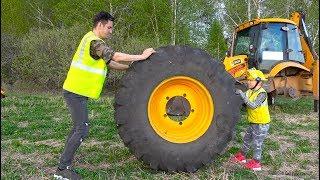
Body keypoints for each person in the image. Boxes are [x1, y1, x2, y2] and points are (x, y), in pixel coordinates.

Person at [54, 11, 156, 180]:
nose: (111, 31)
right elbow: (115, 56)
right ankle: (62, 169)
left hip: (76, 92)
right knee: (82, 128)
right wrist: (142, 56)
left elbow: (112, 63)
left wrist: (134, 66)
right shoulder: (94, 42)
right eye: (109, 27)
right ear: (100, 25)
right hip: (74, 93)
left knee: (77, 128)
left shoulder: (90, 40)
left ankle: (63, 165)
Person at [231, 68, 271, 171]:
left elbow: (253, 105)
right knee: (246, 139)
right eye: (248, 80)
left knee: (257, 144)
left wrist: (241, 94)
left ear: (258, 82)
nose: (248, 82)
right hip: (253, 122)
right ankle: (242, 156)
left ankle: (256, 162)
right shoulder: (250, 91)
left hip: (261, 123)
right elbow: (243, 99)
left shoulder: (262, 94)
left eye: (251, 80)